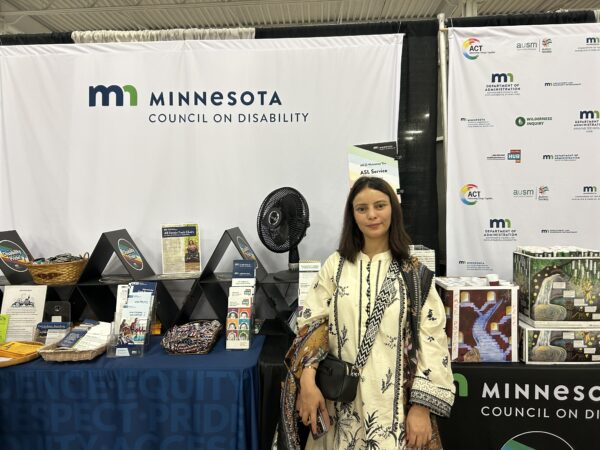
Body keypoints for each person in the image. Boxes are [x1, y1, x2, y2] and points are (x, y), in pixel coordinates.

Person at [278, 176, 455, 450]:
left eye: (380, 205)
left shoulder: (414, 273)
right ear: (353, 215)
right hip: (339, 407)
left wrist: (421, 408)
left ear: (393, 210)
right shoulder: (335, 266)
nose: (372, 215)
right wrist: (308, 382)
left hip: (395, 414)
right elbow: (311, 325)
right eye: (362, 208)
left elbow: (432, 341)